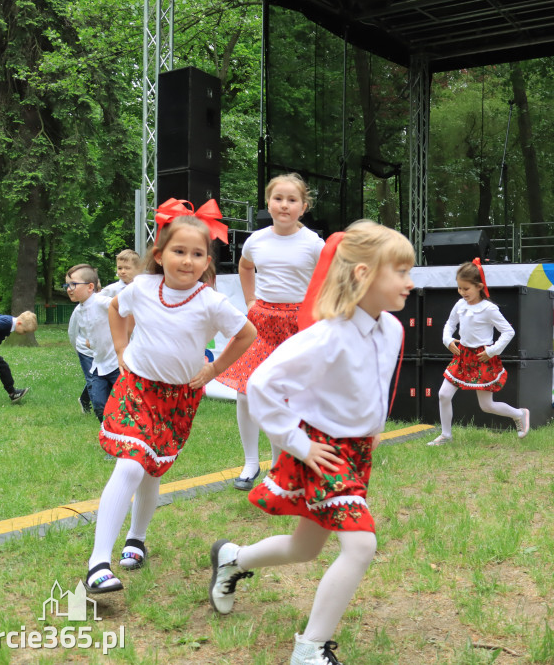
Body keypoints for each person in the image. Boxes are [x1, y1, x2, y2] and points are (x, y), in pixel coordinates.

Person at [207, 220, 413, 665]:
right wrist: (297, 443)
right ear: (362, 273)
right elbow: (261, 384)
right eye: (399, 271)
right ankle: (310, 650)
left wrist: (369, 432)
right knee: (361, 545)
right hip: (323, 452)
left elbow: (371, 388)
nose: (410, 282)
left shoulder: (392, 329)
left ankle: (232, 558)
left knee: (306, 548)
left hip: (356, 452)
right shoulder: (327, 335)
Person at [83, 207, 256, 594]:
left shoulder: (210, 302)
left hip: (177, 400)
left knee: (150, 469)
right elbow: (116, 308)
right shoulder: (142, 287)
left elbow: (246, 334)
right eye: (179, 251)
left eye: (197, 254)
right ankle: (98, 564)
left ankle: (136, 539)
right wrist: (121, 346)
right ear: (159, 255)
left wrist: (215, 370)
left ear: (207, 262)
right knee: (130, 465)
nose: (187, 260)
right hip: (137, 389)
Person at [213, 173, 324, 491]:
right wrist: (250, 300)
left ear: (303, 207)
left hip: (296, 327)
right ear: (268, 203)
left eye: (292, 200)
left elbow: (328, 279)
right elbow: (246, 267)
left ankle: (279, 467)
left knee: (284, 397)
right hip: (261, 325)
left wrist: (315, 313)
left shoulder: (314, 243)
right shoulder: (256, 241)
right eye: (279, 198)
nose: (285, 205)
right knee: (245, 393)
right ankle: (250, 463)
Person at [427, 259, 529, 446]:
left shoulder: (489, 309)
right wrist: (447, 340)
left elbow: (508, 331)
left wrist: (492, 351)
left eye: (466, 289)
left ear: (479, 286)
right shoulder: (460, 305)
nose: (462, 292)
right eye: (459, 288)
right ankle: (446, 435)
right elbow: (450, 324)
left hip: (483, 358)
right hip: (462, 356)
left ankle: (519, 414)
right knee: (443, 394)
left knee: (486, 406)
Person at [65, 264, 120, 422]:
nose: (69, 289)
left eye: (73, 284)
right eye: (67, 285)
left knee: (123, 404)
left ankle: (125, 434)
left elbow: (126, 311)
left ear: (90, 287)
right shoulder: (80, 308)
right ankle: (110, 434)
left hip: (116, 364)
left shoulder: (102, 302)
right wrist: (91, 341)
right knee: (99, 405)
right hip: (98, 365)